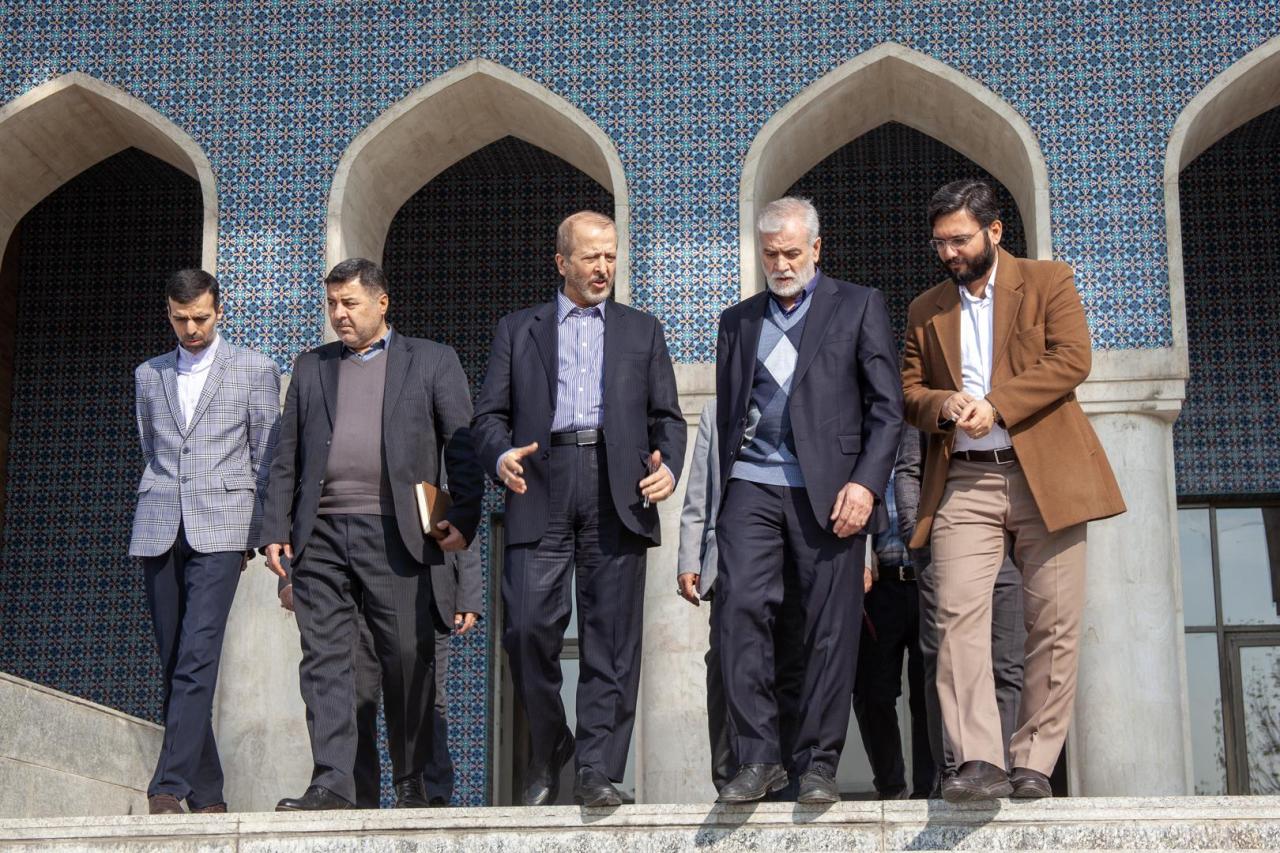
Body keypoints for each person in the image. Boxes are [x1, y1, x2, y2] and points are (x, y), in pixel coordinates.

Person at [900, 179, 1126, 802]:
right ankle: (979, 760)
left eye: (959, 239)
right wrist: (945, 405)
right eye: (940, 242)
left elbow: (1072, 359)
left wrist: (996, 405)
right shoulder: (925, 309)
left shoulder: (1049, 281)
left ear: (994, 231)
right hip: (964, 480)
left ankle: (1033, 762)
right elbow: (910, 392)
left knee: (1053, 621)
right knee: (955, 617)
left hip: (1045, 475)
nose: (949, 253)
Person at [473, 211, 685, 807]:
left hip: (618, 486)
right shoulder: (519, 329)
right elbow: (488, 417)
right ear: (561, 261)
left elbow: (667, 418)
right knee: (524, 629)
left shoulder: (643, 330)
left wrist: (668, 465)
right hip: (539, 480)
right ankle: (552, 744)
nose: (603, 268)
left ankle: (597, 770)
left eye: (610, 256)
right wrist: (499, 456)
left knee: (611, 637)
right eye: (591, 257)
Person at [261, 258, 483, 811]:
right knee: (324, 662)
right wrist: (275, 529)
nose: (339, 314)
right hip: (321, 535)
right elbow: (286, 456)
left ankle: (411, 781)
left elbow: (462, 446)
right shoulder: (311, 367)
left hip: (398, 533)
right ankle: (332, 781)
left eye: (350, 303)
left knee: (407, 658)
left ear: (382, 303)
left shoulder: (432, 360)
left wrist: (464, 520)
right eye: (332, 304)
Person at [713, 197, 903, 804]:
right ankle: (758, 757)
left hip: (831, 493)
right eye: (770, 254)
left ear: (816, 249)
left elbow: (887, 409)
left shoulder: (859, 305)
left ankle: (818, 764)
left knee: (829, 628)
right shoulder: (737, 321)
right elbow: (727, 416)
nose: (781, 264)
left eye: (792, 253)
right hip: (751, 484)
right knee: (739, 609)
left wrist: (866, 485)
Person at [130, 269, 280, 815]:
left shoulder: (255, 369)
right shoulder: (148, 374)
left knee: (197, 655)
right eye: (180, 319)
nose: (190, 329)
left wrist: (258, 536)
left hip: (223, 529)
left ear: (219, 312)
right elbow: (151, 448)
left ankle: (167, 785)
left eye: (200, 318)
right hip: (159, 525)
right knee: (174, 659)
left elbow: (266, 457)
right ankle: (210, 794)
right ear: (168, 314)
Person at [276, 538, 481, 808]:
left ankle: (431, 795)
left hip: (430, 593)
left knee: (427, 699)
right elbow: (304, 515)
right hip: (361, 593)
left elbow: (461, 517)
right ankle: (361, 798)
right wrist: (288, 575)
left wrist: (469, 594)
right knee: (360, 699)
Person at [896, 424, 1025, 798]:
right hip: (945, 544)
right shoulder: (935, 393)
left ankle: (1002, 766)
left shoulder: (1013, 393)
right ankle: (953, 767)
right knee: (945, 660)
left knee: (1007, 662)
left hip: (1010, 548)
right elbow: (909, 469)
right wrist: (919, 541)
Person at [851, 472, 935, 800]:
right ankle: (890, 787)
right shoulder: (870, 450)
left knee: (930, 691)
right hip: (879, 586)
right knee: (872, 692)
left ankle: (929, 788)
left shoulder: (928, 446)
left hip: (928, 581)